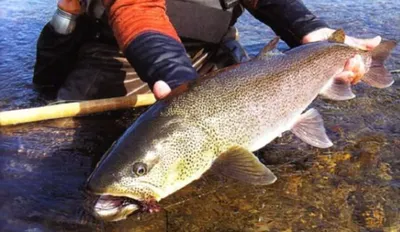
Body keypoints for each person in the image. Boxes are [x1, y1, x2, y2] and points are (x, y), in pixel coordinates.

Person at [33, 0, 381, 101]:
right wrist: (180, 80)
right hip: (124, 56)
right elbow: (136, 9)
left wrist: (311, 31)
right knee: (60, 148)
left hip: (212, 51)